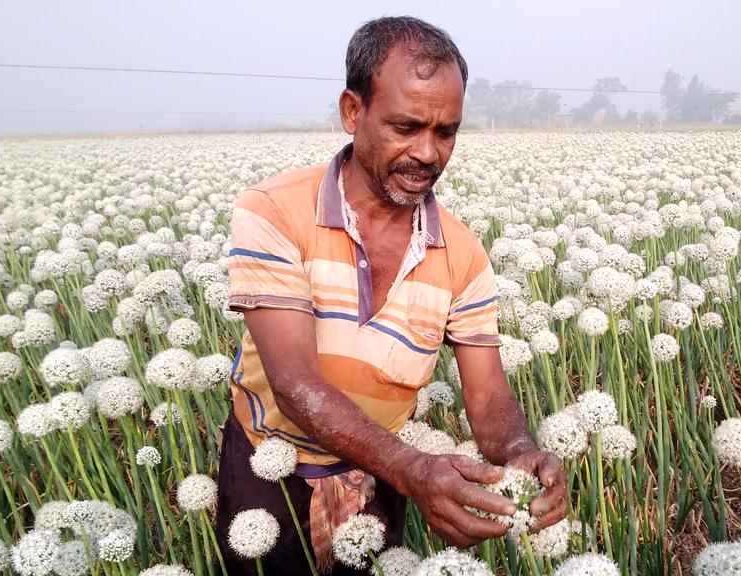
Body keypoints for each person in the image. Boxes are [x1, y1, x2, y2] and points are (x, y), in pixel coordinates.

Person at [216, 15, 567, 575]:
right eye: (406, 127)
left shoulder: (464, 253)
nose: (429, 153)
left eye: (446, 131)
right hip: (269, 471)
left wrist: (521, 454)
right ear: (352, 111)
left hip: (384, 477)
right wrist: (410, 468)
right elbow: (293, 381)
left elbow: (488, 399)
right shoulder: (274, 209)